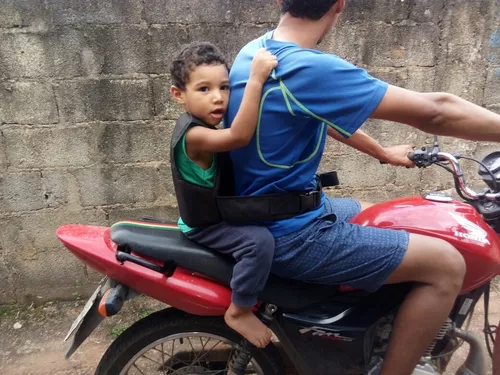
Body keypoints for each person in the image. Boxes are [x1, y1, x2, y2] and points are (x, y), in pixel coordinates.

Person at [226, 1, 500, 374]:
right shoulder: (309, 67)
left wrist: (383, 152)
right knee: (447, 265)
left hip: (273, 210)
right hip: (290, 232)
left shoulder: (258, 50)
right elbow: (436, 109)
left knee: (391, 217)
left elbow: (326, 114)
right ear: (340, 4)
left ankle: (380, 332)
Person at [169, 42, 277, 348]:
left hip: (212, 213)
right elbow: (239, 136)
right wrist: (255, 79)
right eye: (204, 89)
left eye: (225, 87)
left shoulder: (205, 124)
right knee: (259, 243)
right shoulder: (195, 134)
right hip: (205, 225)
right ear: (179, 94)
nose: (218, 97)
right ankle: (240, 309)